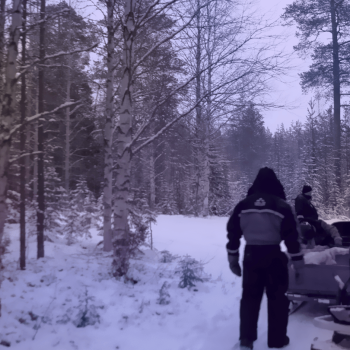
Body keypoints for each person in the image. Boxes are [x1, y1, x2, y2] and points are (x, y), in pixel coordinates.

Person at [226, 167, 304, 350]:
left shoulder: (243, 205)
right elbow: (292, 237)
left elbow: (233, 233)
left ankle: (246, 339)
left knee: (249, 298)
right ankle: (277, 340)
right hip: (274, 256)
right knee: (278, 299)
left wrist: (233, 259)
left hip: (251, 256)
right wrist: (298, 263)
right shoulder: (282, 206)